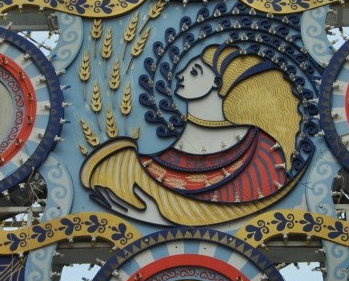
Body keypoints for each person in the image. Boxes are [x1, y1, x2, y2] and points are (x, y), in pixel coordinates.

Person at [80, 44, 301, 226]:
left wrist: (159, 220)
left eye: (195, 71)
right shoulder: (131, 166)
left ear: (218, 83)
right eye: (185, 69)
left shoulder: (262, 151)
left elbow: (255, 219)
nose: (182, 75)